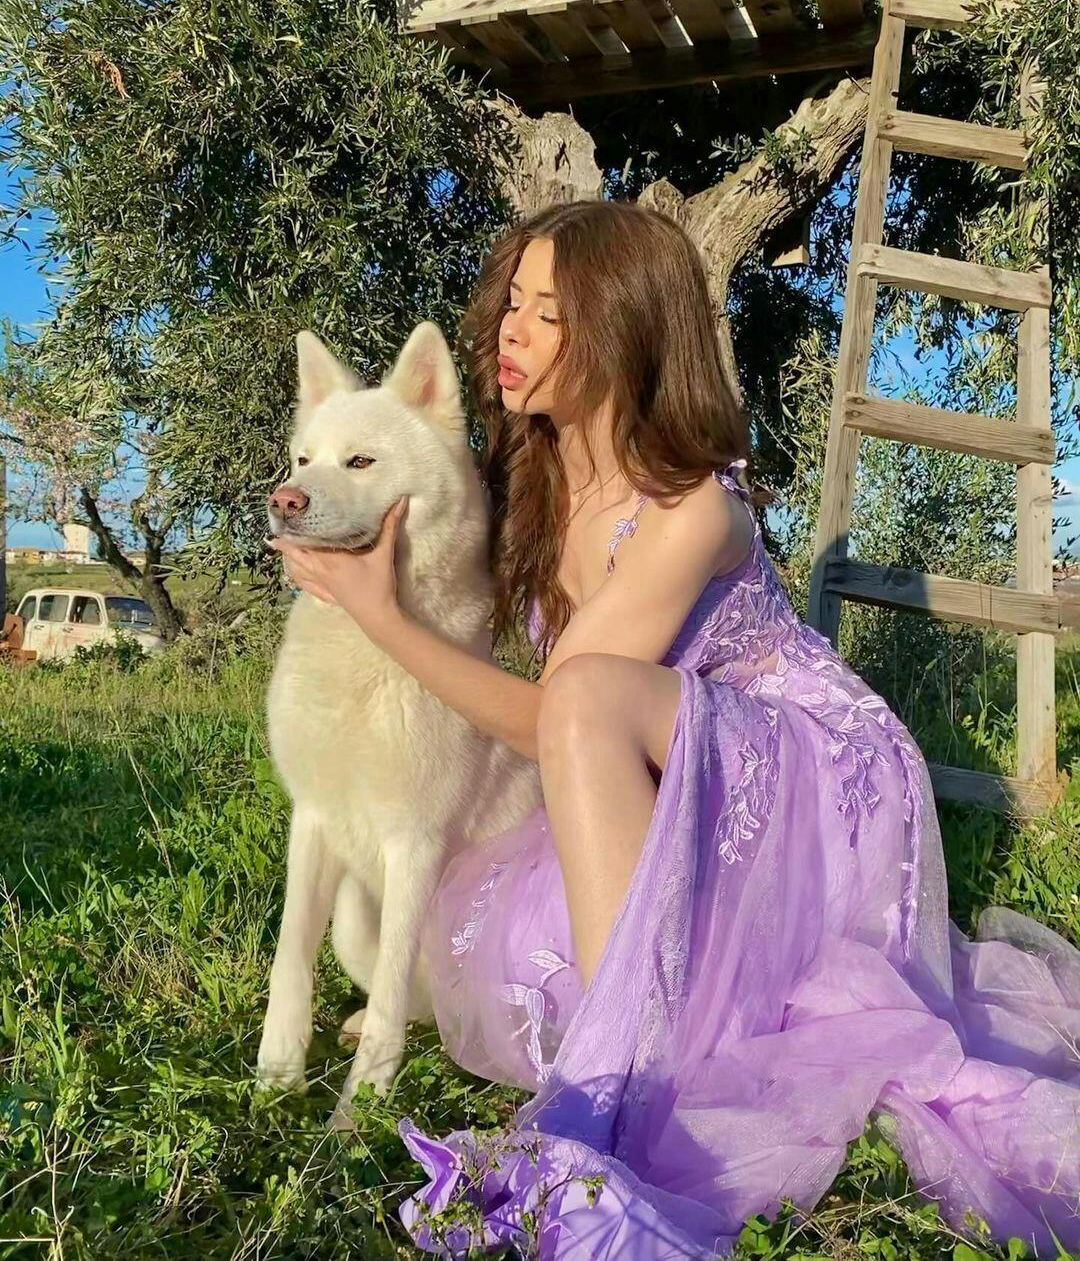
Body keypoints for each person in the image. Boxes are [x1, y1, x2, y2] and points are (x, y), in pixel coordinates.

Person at [270, 200, 1080, 1261]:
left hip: (811, 770)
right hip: (664, 757)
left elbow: (562, 710)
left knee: (587, 701)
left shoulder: (691, 508)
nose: (512, 330)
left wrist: (381, 617)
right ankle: (637, 1028)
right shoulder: (538, 485)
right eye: (513, 302)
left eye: (549, 312)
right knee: (514, 906)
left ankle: (619, 1092)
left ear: (625, 332)